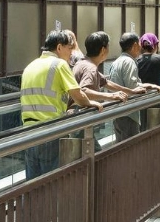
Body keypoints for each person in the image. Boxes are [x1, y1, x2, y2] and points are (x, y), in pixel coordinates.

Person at [20, 30, 103, 178]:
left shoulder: (30, 66)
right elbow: (77, 95)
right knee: (53, 181)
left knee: (33, 185)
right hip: (51, 130)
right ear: (59, 48)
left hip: (28, 133)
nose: (71, 53)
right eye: (69, 48)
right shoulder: (59, 64)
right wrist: (91, 103)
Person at [107, 33, 157, 141]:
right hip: (128, 113)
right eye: (139, 44)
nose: (140, 47)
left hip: (117, 112)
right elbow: (132, 87)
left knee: (120, 146)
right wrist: (145, 87)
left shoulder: (117, 61)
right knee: (131, 147)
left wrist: (148, 85)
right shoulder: (129, 62)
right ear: (134, 45)